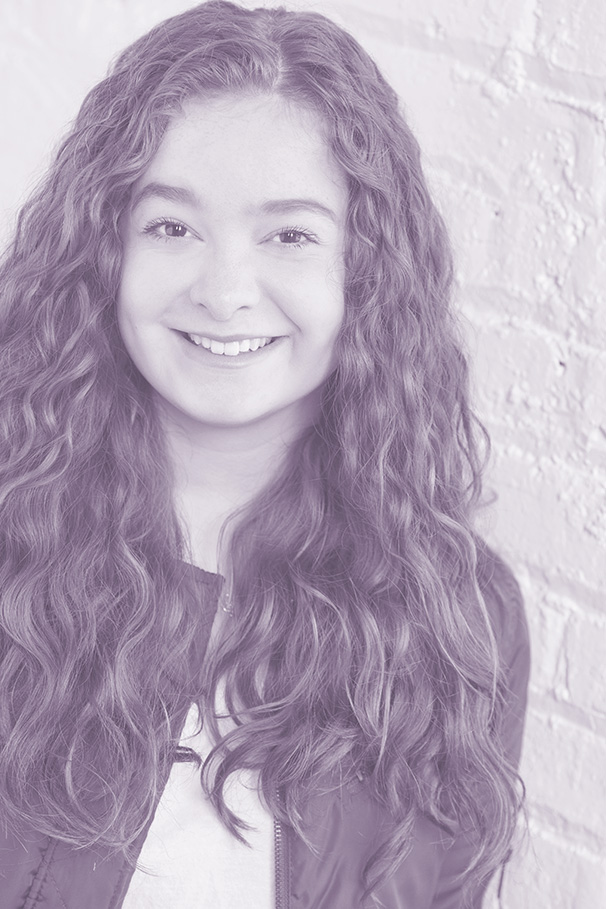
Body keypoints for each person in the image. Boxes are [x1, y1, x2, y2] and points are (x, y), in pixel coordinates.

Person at [0, 2, 530, 907]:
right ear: (104, 250)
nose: (225, 291)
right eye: (172, 227)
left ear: (365, 272)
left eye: (289, 234)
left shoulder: (465, 621)